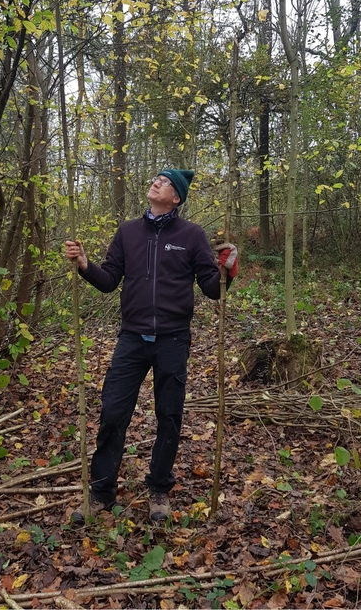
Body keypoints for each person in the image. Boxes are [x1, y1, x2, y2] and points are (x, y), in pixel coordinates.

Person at [65, 169, 238, 523]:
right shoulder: (128, 232)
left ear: (177, 198)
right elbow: (110, 280)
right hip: (131, 338)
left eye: (165, 182)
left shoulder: (191, 235)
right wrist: (84, 264)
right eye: (156, 178)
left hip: (173, 340)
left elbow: (211, 288)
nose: (156, 182)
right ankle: (101, 493)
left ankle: (159, 490)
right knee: (113, 413)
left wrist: (226, 271)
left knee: (169, 417)